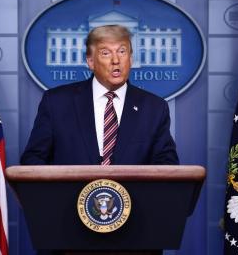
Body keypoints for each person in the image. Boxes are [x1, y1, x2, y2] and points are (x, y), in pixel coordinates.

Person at [21, 25, 178, 165]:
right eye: (106, 53)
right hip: (70, 197)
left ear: (130, 59)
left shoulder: (154, 108)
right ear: (90, 61)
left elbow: (167, 166)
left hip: (134, 198)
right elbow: (33, 160)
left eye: (122, 51)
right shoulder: (56, 102)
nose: (116, 60)